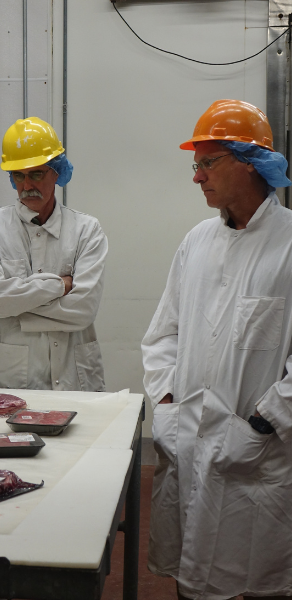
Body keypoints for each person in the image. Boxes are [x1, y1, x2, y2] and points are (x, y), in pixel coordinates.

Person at [142, 99, 292, 600]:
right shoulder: (197, 242)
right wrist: (164, 405)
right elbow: (164, 334)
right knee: (193, 580)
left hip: (260, 452)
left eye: (208, 163)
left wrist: (266, 424)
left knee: (259, 576)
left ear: (250, 161)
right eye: (196, 164)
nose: (196, 177)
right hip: (186, 440)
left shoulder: (289, 246)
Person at [0, 117, 107, 391]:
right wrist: (59, 285)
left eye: (37, 174)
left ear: (57, 172)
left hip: (73, 378)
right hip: (9, 381)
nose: (27, 184)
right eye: (18, 175)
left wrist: (13, 308)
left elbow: (82, 311)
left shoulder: (86, 231)